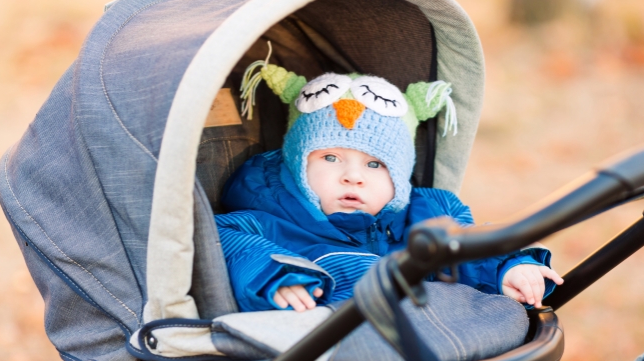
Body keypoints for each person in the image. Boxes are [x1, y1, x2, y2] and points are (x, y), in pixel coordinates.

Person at [216, 67, 563, 313]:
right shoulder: (268, 215)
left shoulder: (423, 217)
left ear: (399, 176)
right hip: (327, 349)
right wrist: (274, 274)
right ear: (297, 163)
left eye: (374, 165)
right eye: (331, 157)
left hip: (426, 341)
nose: (353, 177)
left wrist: (507, 267)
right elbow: (219, 239)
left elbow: (461, 251)